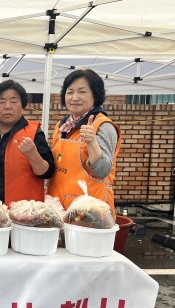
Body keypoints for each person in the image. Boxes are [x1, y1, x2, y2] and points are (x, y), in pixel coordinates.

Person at [47, 69, 121, 216]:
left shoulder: (103, 126)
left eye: (82, 92)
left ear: (95, 95)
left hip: (90, 212)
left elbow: (103, 170)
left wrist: (92, 142)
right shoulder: (62, 126)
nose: (75, 97)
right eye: (70, 92)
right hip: (58, 208)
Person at [0, 80, 54, 205]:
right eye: (1, 101)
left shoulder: (34, 133)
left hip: (22, 210)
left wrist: (33, 154)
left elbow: (47, 172)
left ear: (22, 105)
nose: (7, 106)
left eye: (14, 101)